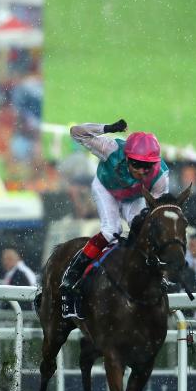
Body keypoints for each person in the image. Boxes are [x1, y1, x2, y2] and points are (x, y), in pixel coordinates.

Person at [60, 120, 169, 319]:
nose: (142, 171)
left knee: (144, 229)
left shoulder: (161, 177)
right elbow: (76, 133)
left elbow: (159, 210)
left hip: (133, 197)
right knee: (112, 231)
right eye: (136, 164)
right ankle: (72, 276)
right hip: (106, 189)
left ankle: (152, 274)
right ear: (127, 157)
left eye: (148, 166)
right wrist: (107, 129)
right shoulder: (110, 148)